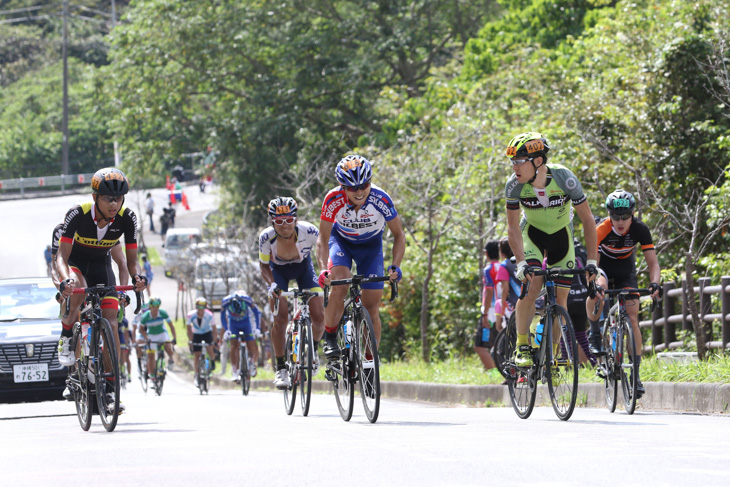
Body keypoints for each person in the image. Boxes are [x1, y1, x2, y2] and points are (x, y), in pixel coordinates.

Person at [56, 167, 147, 414]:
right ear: (95, 196)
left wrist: (137, 278)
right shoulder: (78, 214)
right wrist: (65, 281)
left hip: (101, 267)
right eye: (108, 198)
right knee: (80, 290)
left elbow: (130, 260)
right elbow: (62, 257)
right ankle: (67, 336)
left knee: (113, 323)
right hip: (76, 265)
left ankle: (108, 389)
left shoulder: (128, 218)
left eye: (118, 198)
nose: (114, 203)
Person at [504, 132, 598, 368]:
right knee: (532, 283)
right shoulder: (514, 186)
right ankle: (522, 346)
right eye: (512, 162)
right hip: (531, 234)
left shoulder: (564, 178)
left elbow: (587, 220)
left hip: (561, 236)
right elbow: (513, 227)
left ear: (537, 161)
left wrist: (593, 261)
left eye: (519, 161)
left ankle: (553, 356)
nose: (514, 167)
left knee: (561, 300)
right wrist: (521, 262)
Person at [316, 154, 405, 375]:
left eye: (364, 185)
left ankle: (369, 362)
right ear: (341, 186)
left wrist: (395, 265)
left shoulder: (381, 198)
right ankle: (330, 338)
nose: (359, 191)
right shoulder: (332, 199)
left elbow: (399, 235)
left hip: (371, 247)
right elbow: (322, 238)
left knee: (372, 307)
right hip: (342, 242)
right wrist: (323, 270)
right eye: (352, 187)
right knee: (339, 284)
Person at [585, 189, 662, 398]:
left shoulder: (639, 229)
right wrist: (594, 285)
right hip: (603, 267)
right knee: (597, 290)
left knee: (633, 317)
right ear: (609, 215)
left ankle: (635, 376)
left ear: (632, 214)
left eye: (625, 216)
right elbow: (592, 265)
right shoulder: (601, 228)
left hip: (626, 270)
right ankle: (594, 332)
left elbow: (653, 263)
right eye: (616, 217)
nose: (620, 221)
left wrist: (654, 284)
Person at [259, 196, 325, 389]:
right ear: (272, 222)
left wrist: (324, 271)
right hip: (277, 272)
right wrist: (272, 285)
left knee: (319, 316)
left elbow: (323, 248)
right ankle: (281, 368)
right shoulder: (266, 236)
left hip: (303, 269)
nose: (284, 225)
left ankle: (312, 352)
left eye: (289, 220)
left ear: (295, 219)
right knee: (279, 320)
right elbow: (263, 266)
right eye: (279, 221)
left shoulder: (309, 230)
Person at [220, 291, 261, 381]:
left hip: (246, 323)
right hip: (233, 324)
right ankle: (234, 370)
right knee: (233, 345)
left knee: (251, 344)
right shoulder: (226, 301)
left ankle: (251, 362)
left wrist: (257, 328)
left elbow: (257, 312)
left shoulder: (247, 300)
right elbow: (222, 316)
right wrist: (226, 330)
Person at [139, 296, 177, 382]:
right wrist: (146, 338)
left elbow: (171, 326)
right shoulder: (145, 316)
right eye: (153, 307)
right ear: (150, 307)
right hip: (151, 335)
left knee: (168, 347)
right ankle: (152, 375)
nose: (155, 309)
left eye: (157, 306)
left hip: (161, 334)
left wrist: (174, 338)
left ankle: (171, 358)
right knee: (151, 357)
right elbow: (141, 330)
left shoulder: (163, 313)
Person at [475, 240, 499, 371]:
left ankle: (494, 373)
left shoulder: (488, 269)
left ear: (486, 253)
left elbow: (489, 291)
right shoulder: (502, 267)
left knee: (480, 346)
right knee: (496, 344)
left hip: (490, 311)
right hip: (502, 310)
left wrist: (484, 313)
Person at [187, 297, 218, 387]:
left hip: (206, 333)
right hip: (196, 334)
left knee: (210, 350)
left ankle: (212, 360)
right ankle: (196, 374)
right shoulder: (191, 315)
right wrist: (190, 340)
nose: (201, 310)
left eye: (202, 308)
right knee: (196, 355)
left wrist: (214, 341)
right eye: (199, 307)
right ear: (196, 307)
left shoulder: (209, 315)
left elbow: (214, 329)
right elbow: (188, 329)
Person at [494, 237, 519, 332]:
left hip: (515, 304)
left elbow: (505, 289)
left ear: (501, 252)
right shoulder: (523, 262)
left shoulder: (504, 265)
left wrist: (503, 305)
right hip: (534, 301)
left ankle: (500, 329)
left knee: (498, 303)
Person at [117, 292, 133, 383]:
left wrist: (128, 344)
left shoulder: (125, 321)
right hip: (115, 335)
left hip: (121, 337)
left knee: (125, 356)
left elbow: (126, 333)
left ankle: (125, 370)